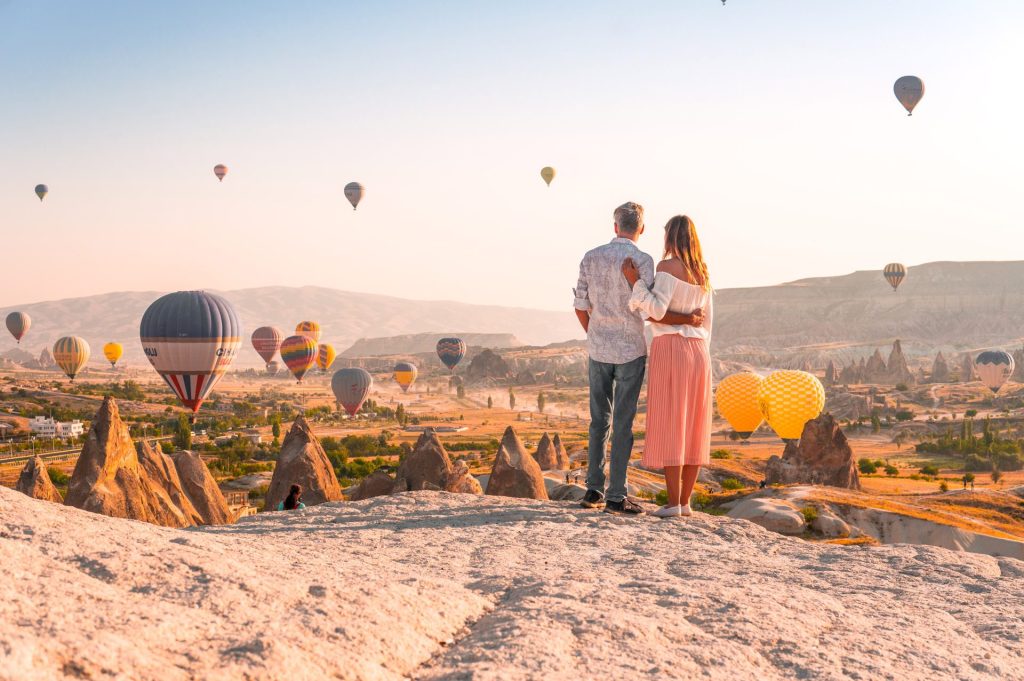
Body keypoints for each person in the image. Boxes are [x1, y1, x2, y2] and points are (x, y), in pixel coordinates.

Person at [573, 202, 698, 514]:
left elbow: (579, 303)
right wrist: (688, 318)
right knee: (623, 423)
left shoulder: (591, 256)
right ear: (641, 229)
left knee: (597, 420)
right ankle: (616, 496)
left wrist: (594, 335)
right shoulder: (643, 260)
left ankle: (593, 490)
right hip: (631, 350)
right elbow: (649, 306)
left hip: (599, 349)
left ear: (615, 226)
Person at [622, 215, 713, 518]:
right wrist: (689, 323)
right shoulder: (703, 273)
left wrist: (635, 283)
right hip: (699, 351)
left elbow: (656, 310)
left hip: (670, 348)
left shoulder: (667, 267)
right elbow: (706, 321)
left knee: (672, 421)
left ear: (670, 237)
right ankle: (686, 502)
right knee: (693, 425)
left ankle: (673, 502)